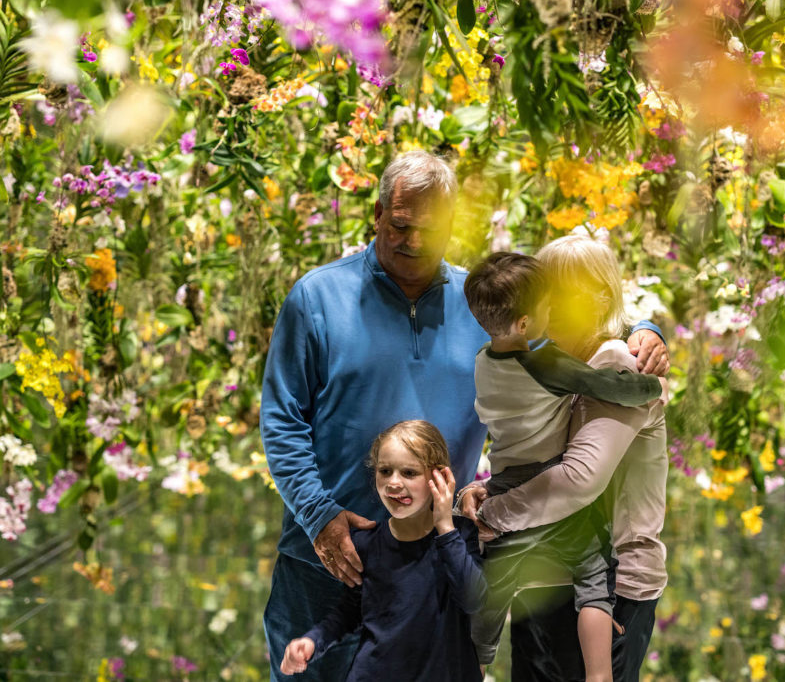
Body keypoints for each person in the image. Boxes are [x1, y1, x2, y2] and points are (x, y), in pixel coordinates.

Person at [260, 150, 669, 680]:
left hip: (434, 565)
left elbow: (576, 323)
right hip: (329, 558)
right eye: (401, 225)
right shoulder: (317, 298)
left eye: (430, 231)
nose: (411, 242)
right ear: (378, 214)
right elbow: (281, 423)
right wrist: (320, 518)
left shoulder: (483, 304)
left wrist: (644, 326)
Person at [463, 235, 669, 682]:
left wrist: (492, 513)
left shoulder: (615, 359)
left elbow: (577, 479)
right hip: (543, 568)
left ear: (598, 300)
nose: (547, 311)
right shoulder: (542, 361)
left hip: (612, 582)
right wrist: (485, 492)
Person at [279, 421, 486, 681]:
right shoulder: (365, 543)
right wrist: (312, 642)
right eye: (385, 471)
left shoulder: (461, 535)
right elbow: (347, 614)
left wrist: (445, 526)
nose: (393, 483)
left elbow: (476, 601)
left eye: (409, 473)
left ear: (439, 478)